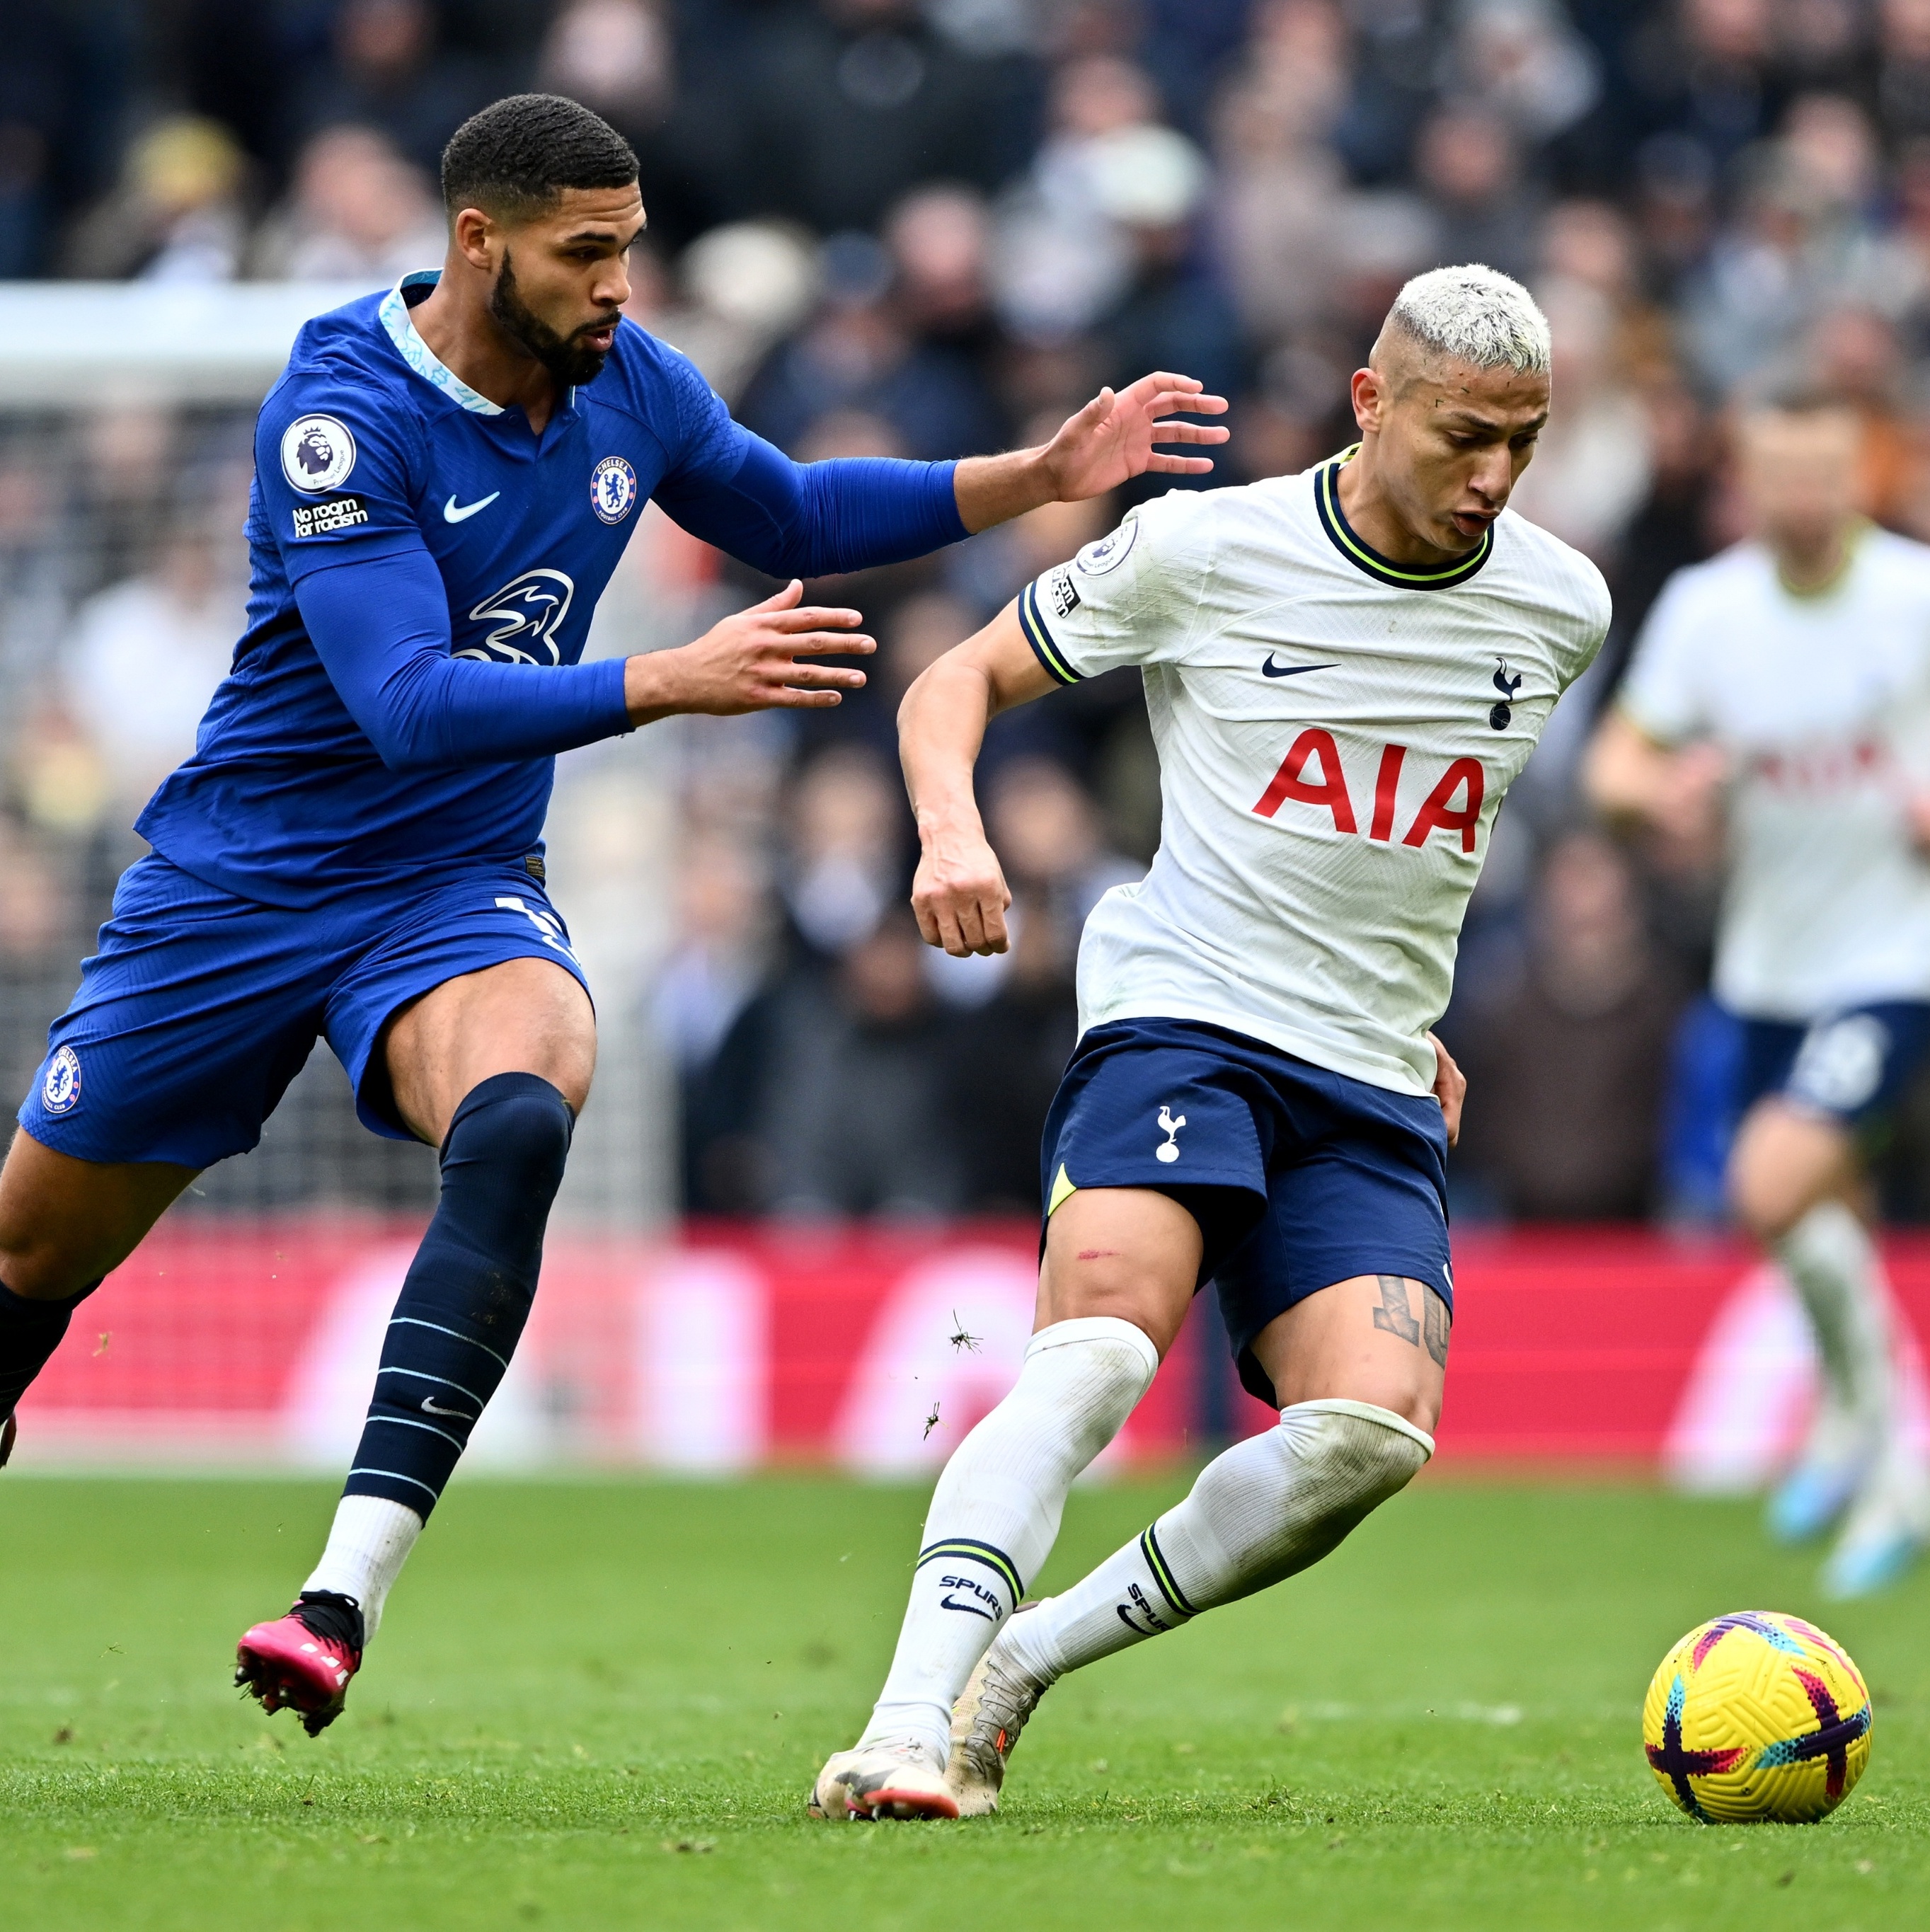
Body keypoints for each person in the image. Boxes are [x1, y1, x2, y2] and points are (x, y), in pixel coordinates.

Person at [0, 91, 1229, 1735]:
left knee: (520, 1108)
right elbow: (402, 703)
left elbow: (785, 513)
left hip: (448, 891)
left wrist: (1034, 474)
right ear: (475, 242)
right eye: (583, 254)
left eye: (628, 250)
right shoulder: (340, 407)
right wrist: (662, 681)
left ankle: (339, 1592)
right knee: (28, 1252)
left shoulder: (626, 383)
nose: (614, 286)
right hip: (240, 887)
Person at [810, 263, 1611, 1822]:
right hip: (1185, 1020)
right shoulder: (1203, 546)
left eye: (1523, 441)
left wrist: (1414, 1010)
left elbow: (1408, 839)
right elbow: (951, 681)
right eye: (1462, 436)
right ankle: (905, 1724)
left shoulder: (1558, 604)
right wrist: (949, 838)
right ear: (1371, 403)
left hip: (1371, 1076)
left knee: (1365, 1438)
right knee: (1099, 1349)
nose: (1493, 478)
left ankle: (1026, 1658)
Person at [1585, 389, 1930, 1598]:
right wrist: (1656, 797)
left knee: (1769, 1179)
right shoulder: (1707, 610)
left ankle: (1898, 1463)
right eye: (1780, 473)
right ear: (1747, 477)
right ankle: (1850, 1418)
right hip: (1769, 964)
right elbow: (1618, 759)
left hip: (1897, 959)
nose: (1803, 496)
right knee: (1812, 1211)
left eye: (1825, 472)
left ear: (1861, 473)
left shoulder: (1914, 597)